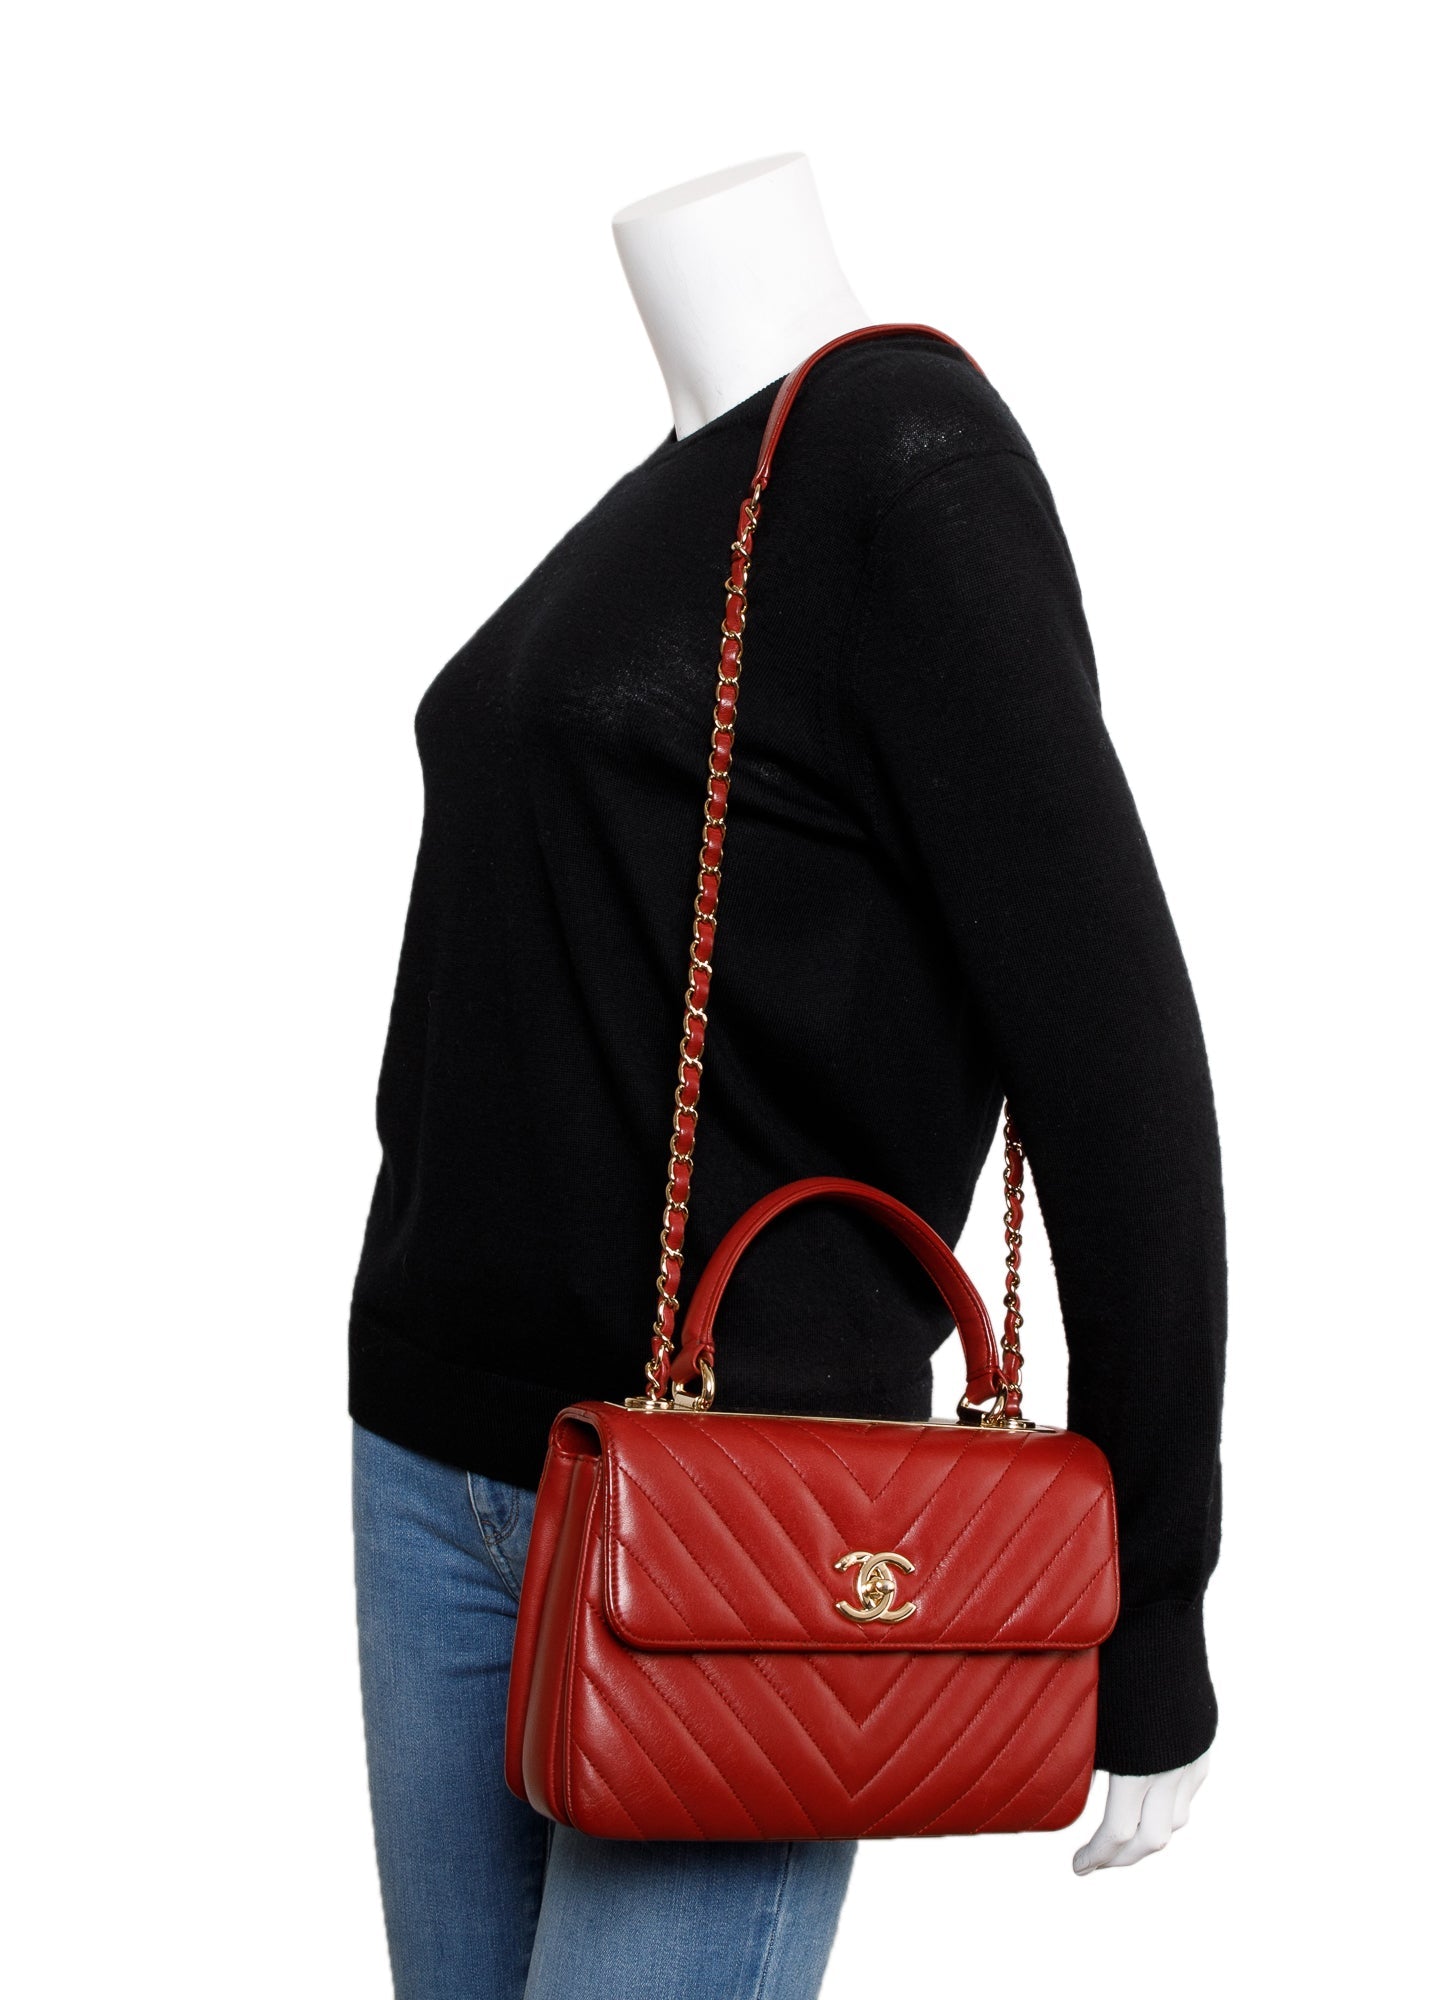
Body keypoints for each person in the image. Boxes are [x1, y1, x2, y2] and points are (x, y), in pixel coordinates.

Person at [349, 154, 1225, 2000]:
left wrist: (1150, 1601)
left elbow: (1118, 1061)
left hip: (739, 1510)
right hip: (436, 1461)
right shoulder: (680, 493)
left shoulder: (907, 469)